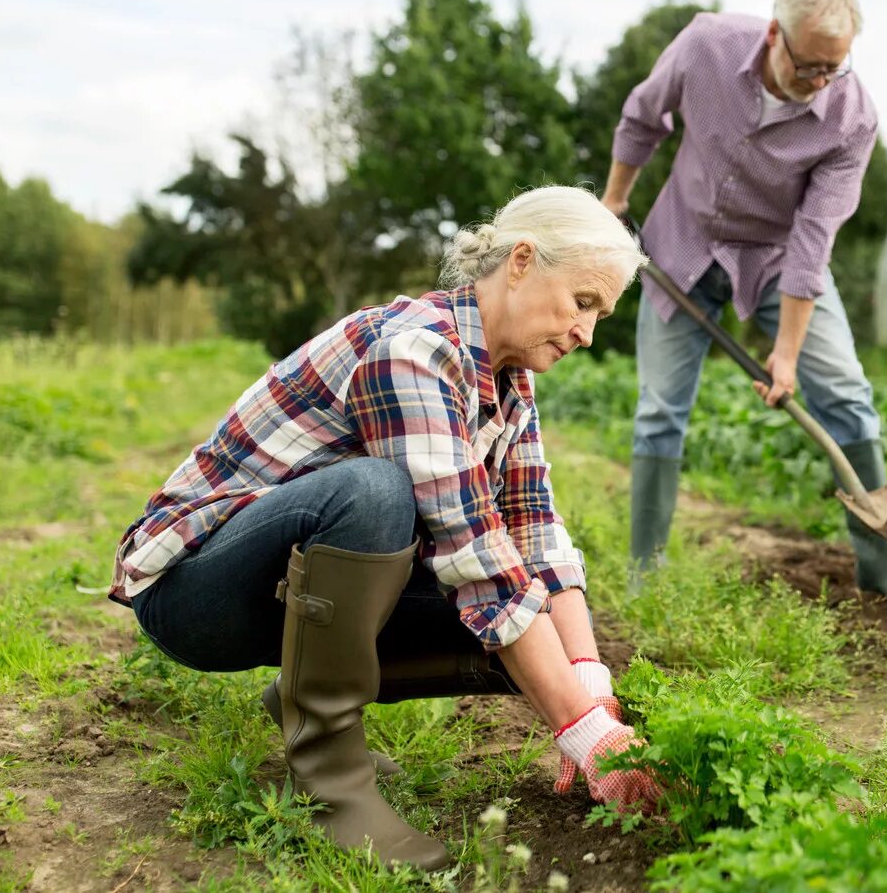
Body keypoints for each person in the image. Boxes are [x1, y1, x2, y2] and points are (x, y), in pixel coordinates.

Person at [109, 186, 662, 871]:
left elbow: (535, 530)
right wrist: (580, 731)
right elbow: (478, 559)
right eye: (583, 302)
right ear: (521, 260)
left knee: (527, 631)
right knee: (376, 494)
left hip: (286, 589)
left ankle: (305, 695)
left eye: (600, 315)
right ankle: (331, 778)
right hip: (194, 590)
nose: (587, 332)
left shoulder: (509, 381)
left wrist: (592, 692)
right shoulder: (414, 350)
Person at [601, 0, 887, 604]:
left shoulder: (851, 118)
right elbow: (643, 116)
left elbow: (815, 239)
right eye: (808, 65)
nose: (819, 81)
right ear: (773, 34)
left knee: (843, 391)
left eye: (832, 70)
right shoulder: (706, 45)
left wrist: (785, 351)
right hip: (683, 241)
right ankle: (644, 571)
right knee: (660, 409)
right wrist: (614, 202)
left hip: (778, 258)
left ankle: (882, 564)